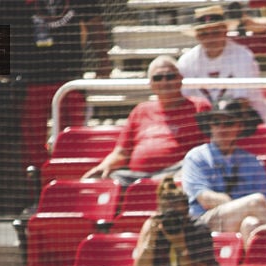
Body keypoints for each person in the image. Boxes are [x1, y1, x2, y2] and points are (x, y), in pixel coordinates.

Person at [0, 0, 111, 176]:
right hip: (30, 80)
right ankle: (39, 192)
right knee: (32, 146)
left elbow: (94, 21)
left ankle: (71, 186)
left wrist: (103, 59)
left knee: (72, 140)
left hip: (69, 80)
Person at [83, 56, 211, 183]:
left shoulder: (200, 107)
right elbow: (121, 152)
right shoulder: (140, 110)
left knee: (188, 167)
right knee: (110, 179)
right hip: (137, 177)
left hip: (176, 175)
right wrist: (104, 166)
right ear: (151, 84)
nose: (164, 82)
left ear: (180, 79)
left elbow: (210, 149)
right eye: (158, 78)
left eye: (170, 76)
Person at [181, 98, 266, 237]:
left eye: (228, 123)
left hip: (238, 219)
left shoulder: (251, 161)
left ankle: (258, 258)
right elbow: (206, 199)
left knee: (251, 224)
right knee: (255, 201)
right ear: (210, 126)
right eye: (216, 122)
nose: (222, 128)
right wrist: (246, 206)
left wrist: (246, 209)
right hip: (202, 224)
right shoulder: (196, 157)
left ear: (239, 127)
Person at [178, 5, 266, 124]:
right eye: (204, 34)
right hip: (202, 119)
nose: (211, 38)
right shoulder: (187, 60)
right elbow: (184, 100)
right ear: (197, 36)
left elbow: (243, 101)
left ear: (225, 31)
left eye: (215, 32)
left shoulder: (243, 56)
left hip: (242, 118)